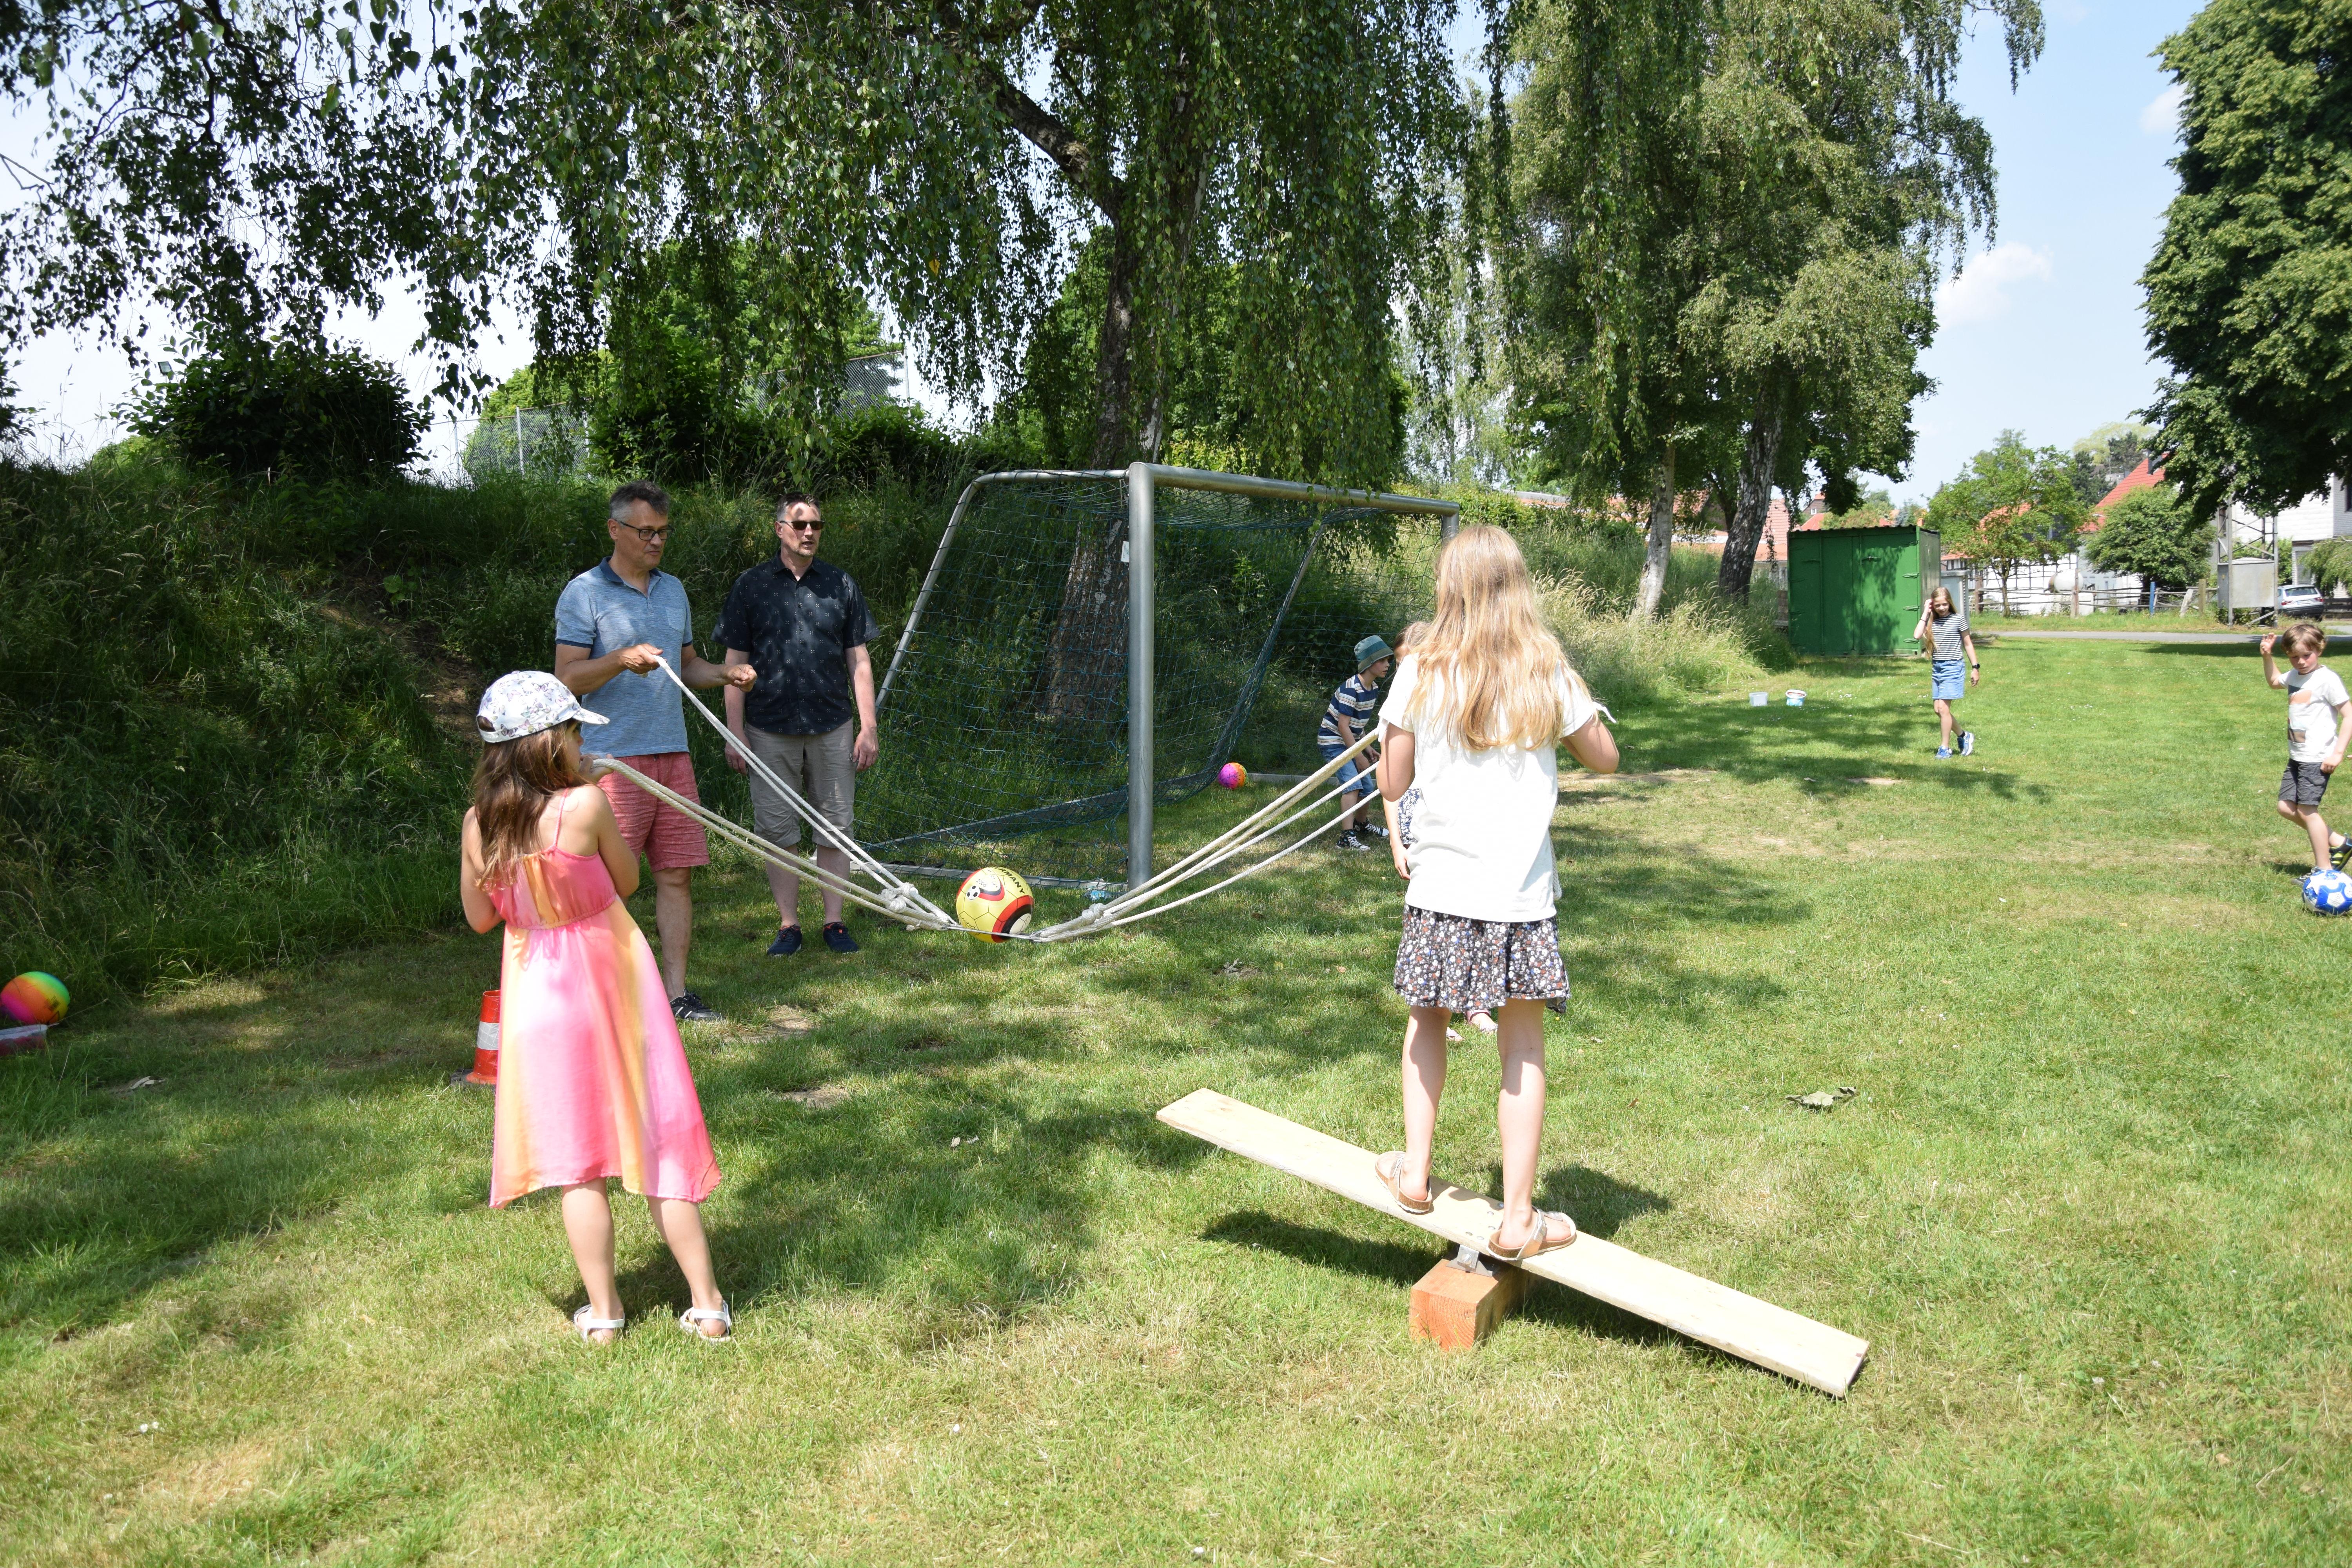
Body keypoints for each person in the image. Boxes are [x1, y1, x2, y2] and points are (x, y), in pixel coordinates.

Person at [457, 671, 731, 1344]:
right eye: (576, 732)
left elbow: (480, 919)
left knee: (576, 1163)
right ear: (551, 742)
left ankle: (605, 1315)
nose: (582, 743)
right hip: (615, 982)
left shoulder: (479, 822)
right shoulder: (586, 804)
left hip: (540, 997)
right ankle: (708, 1305)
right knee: (658, 1133)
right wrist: (593, 790)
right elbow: (628, 881)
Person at [1373, 526, 1619, 1261]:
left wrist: (1396, 730)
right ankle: (1517, 1220)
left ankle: (1415, 1175)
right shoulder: (1547, 670)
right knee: (1522, 1044)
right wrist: (1577, 705)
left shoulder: (1420, 672)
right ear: (1518, 588)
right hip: (1518, 898)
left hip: (1442, 887)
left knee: (1426, 1021)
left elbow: (1393, 782)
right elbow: (1606, 759)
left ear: (1449, 589)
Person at [555, 480, 755, 1024]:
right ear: (615, 530)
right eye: (645, 532)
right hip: (611, 760)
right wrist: (620, 659)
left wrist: (727, 674)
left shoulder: (674, 590)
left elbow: (687, 667)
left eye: (663, 532)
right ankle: (604, 1001)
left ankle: (676, 996)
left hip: (672, 753)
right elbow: (566, 678)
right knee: (607, 884)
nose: (657, 541)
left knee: (676, 875)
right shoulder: (584, 593)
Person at [717, 491, 881, 956]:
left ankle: (834, 923)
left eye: (817, 525)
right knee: (778, 832)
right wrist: (735, 731)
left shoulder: (841, 584)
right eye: (800, 524)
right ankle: (789, 925)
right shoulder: (751, 586)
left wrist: (868, 726)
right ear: (780, 529)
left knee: (836, 826)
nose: (810, 532)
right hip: (768, 729)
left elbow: (859, 660)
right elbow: (733, 664)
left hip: (833, 726)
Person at [1383, 621, 1492, 1039]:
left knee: (1479, 916)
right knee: (1435, 924)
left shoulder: (1456, 698)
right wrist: (1397, 843)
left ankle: (1476, 1006)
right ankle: (1435, 1008)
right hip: (1421, 829)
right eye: (1399, 664)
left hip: (1464, 827)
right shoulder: (1401, 708)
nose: (1404, 671)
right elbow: (1390, 789)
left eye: (1409, 662)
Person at [2261, 623, 2352, 872]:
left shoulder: (2327, 679)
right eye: (2294, 657)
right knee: (2285, 807)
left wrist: (2337, 753)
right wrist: (2267, 656)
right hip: (2298, 756)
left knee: (2307, 811)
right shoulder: (2294, 675)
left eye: (2306, 655)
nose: (2301, 662)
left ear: (2319, 649)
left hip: (2318, 757)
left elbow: (2349, 714)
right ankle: (2339, 842)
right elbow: (2274, 682)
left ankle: (2324, 870)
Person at [1321, 634, 1394, 852]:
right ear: (1369, 663)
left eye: (1389, 660)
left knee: (1368, 787)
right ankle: (1345, 838)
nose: (1387, 665)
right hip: (1332, 742)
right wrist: (1359, 756)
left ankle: (1361, 825)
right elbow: (1343, 727)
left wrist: (1367, 747)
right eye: (1382, 661)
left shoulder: (1373, 689)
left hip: (1349, 741)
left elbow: (1356, 725)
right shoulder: (1351, 690)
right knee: (1353, 785)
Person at [1913, 587, 1980, 758]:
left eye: (1945, 604)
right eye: (1937, 605)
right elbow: (1917, 635)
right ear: (1932, 605)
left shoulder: (1958, 619)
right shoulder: (1931, 621)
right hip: (1938, 667)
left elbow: (1968, 644)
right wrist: (1926, 613)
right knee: (1938, 710)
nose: (1942, 608)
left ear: (1950, 603)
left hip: (1953, 667)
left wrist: (1975, 668)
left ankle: (1945, 748)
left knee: (1943, 708)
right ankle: (1964, 736)